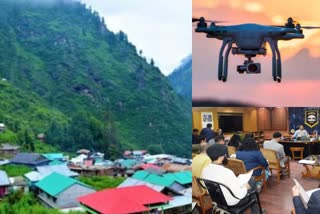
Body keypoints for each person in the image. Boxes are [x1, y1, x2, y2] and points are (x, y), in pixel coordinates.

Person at [201, 144, 263, 214]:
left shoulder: (205, 170)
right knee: (252, 182)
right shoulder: (227, 172)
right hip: (233, 202)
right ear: (222, 156)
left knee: (250, 187)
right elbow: (239, 195)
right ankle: (256, 212)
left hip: (218, 201)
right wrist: (245, 187)